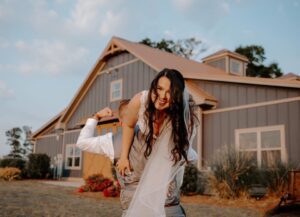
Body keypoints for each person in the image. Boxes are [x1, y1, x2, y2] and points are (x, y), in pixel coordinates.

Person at [76, 99, 196, 217]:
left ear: (121, 121)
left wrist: (96, 117)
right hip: (169, 208)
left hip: (135, 210)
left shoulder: (111, 142)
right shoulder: (168, 135)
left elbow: (82, 142)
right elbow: (190, 158)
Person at [117, 68, 197, 217]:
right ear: (153, 86)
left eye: (169, 92)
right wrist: (124, 157)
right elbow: (128, 125)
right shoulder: (139, 101)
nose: (162, 96)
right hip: (147, 146)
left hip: (174, 151)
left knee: (166, 193)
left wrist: (167, 177)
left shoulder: (180, 117)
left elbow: (177, 151)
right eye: (159, 89)